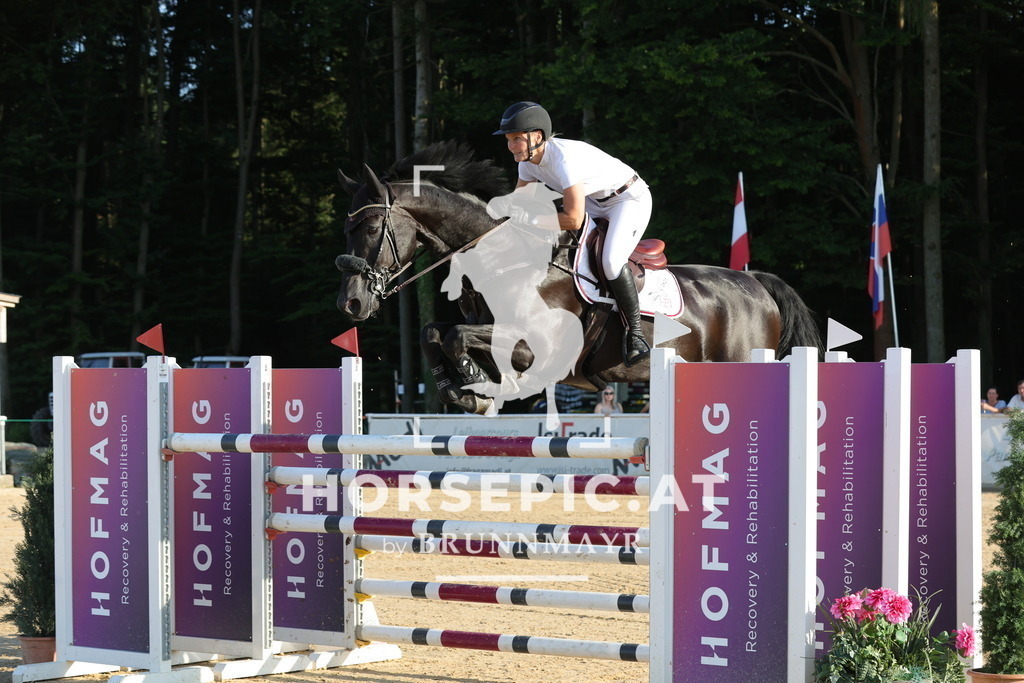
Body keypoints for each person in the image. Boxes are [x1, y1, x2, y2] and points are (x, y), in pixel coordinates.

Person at [493, 101, 653, 367]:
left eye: (516, 139)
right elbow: (518, 206)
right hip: (593, 201)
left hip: (627, 199)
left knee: (611, 261)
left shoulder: (563, 159)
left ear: (537, 137)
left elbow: (573, 219)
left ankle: (635, 334)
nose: (511, 146)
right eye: (509, 140)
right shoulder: (527, 163)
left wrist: (531, 219)